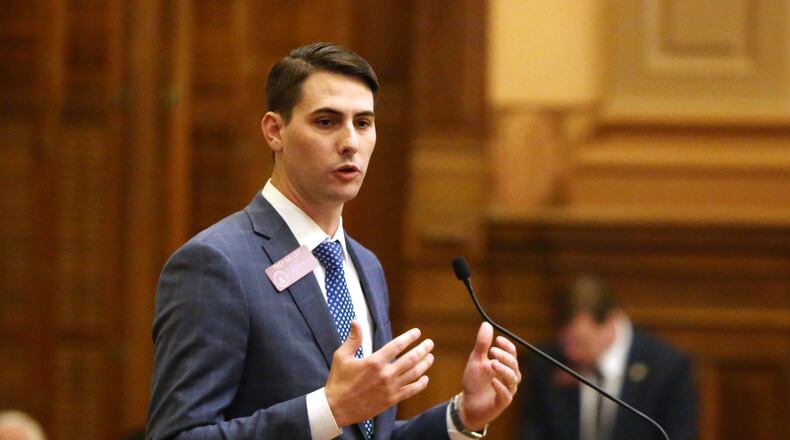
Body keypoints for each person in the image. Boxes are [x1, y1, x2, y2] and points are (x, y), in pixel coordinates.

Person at [146, 42, 521, 440]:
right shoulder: (216, 263)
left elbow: (370, 433)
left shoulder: (365, 265)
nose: (350, 143)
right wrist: (329, 409)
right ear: (275, 131)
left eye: (363, 123)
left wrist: (461, 417)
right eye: (326, 122)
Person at [519, 276, 698, 440]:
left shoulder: (667, 367)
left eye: (580, 342)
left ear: (611, 322)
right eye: (565, 342)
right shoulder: (547, 361)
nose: (570, 354)